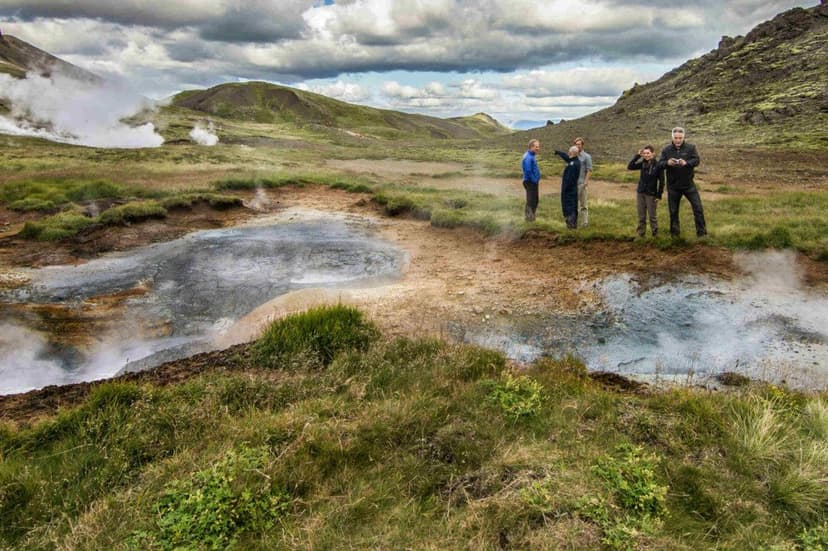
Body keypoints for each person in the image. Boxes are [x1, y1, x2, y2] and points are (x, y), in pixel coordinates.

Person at [659, 127, 707, 238]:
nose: (678, 140)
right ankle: (675, 236)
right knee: (673, 212)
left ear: (683, 137)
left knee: (698, 209)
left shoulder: (691, 148)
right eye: (676, 138)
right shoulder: (666, 150)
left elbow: (696, 161)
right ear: (672, 137)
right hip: (673, 187)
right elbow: (660, 164)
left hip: (688, 185)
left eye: (680, 138)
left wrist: (687, 163)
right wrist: (667, 163)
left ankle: (702, 235)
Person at [627, 145, 665, 237]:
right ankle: (641, 234)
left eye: (648, 153)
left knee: (652, 216)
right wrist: (637, 156)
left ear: (653, 153)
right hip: (640, 193)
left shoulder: (658, 165)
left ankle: (655, 235)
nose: (646, 155)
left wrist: (659, 195)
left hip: (651, 194)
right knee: (641, 216)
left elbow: (662, 181)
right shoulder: (642, 163)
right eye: (644, 153)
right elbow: (630, 166)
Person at [554, 145, 581, 229]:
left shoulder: (573, 164)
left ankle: (571, 225)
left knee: (569, 207)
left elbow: (569, 179)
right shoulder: (574, 160)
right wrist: (559, 153)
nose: (568, 153)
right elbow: (567, 158)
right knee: (572, 206)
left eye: (569, 152)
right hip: (572, 189)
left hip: (569, 190)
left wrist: (565, 189)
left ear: (571, 152)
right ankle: (573, 225)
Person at [573, 137, 593, 227]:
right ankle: (573, 222)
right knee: (573, 204)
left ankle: (584, 223)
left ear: (582, 145)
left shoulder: (587, 157)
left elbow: (589, 170)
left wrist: (586, 182)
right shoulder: (573, 156)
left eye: (579, 144)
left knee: (583, 204)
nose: (578, 146)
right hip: (573, 184)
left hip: (581, 184)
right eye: (576, 144)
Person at [521, 139, 541, 222]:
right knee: (531, 200)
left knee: (534, 200)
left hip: (531, 181)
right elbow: (528, 171)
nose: (538, 148)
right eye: (536, 147)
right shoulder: (528, 157)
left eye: (538, 147)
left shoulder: (531, 155)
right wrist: (535, 180)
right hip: (530, 182)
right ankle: (529, 219)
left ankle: (531, 218)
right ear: (531, 147)